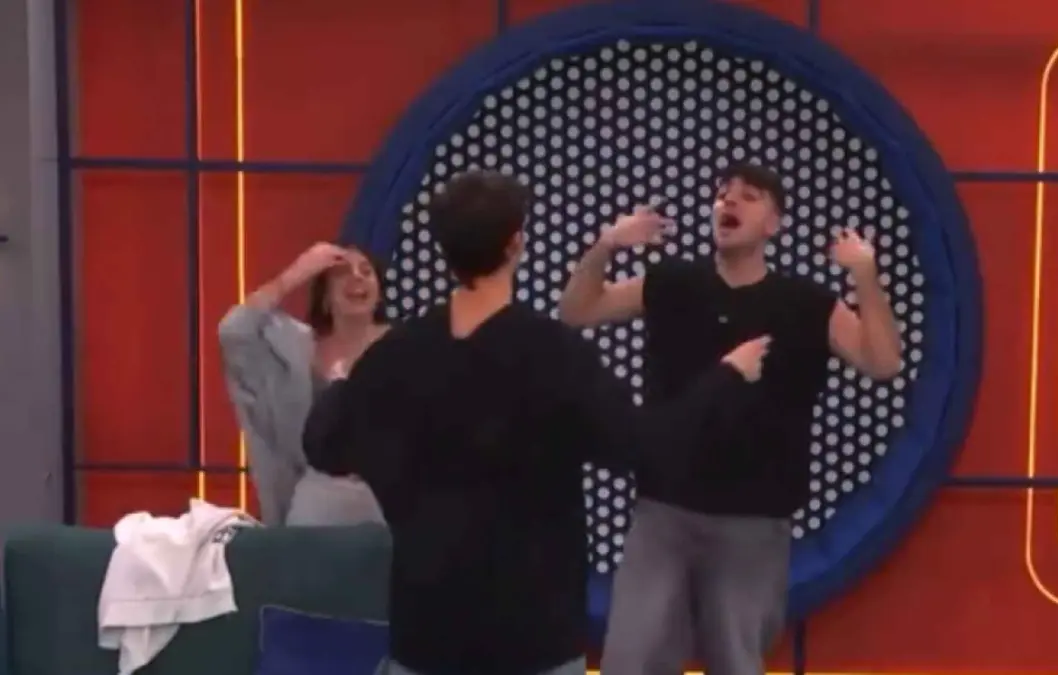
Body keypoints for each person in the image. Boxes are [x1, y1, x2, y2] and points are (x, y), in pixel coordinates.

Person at [314, 169, 770, 675]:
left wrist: (341, 385)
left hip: (427, 634)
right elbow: (643, 444)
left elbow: (324, 445)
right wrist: (725, 377)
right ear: (516, 244)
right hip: (534, 639)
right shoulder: (555, 355)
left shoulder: (394, 356)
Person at [558, 161, 904, 675]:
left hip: (754, 522)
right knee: (630, 661)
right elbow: (577, 311)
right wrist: (606, 245)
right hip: (664, 512)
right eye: (723, 194)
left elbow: (883, 362)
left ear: (773, 224)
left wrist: (865, 276)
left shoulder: (807, 304)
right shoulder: (671, 282)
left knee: (736, 662)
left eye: (750, 195)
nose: (730, 201)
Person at [218, 242, 389, 526]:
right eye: (342, 273)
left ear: (380, 291)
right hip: (319, 500)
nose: (356, 277)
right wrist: (295, 274)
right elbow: (233, 331)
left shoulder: (405, 344)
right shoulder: (296, 348)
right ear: (325, 296)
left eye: (366, 271)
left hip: (389, 498)